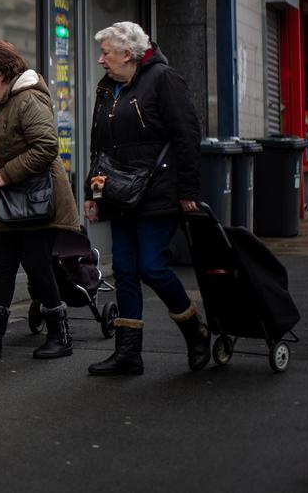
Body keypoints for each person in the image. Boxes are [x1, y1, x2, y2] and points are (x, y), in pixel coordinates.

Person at [84, 21, 209, 376]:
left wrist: (188, 190)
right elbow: (100, 146)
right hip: (119, 193)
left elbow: (187, 135)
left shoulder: (164, 79)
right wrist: (94, 193)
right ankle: (128, 353)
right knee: (124, 268)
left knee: (151, 267)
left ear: (128, 53)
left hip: (157, 193)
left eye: (106, 53)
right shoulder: (108, 87)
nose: (101, 61)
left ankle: (195, 331)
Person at [0, 40, 82, 360]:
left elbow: (46, 147)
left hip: (37, 200)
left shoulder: (28, 100)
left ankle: (60, 334)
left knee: (38, 266)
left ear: (0, 72)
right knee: (3, 266)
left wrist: (5, 175)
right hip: (10, 202)